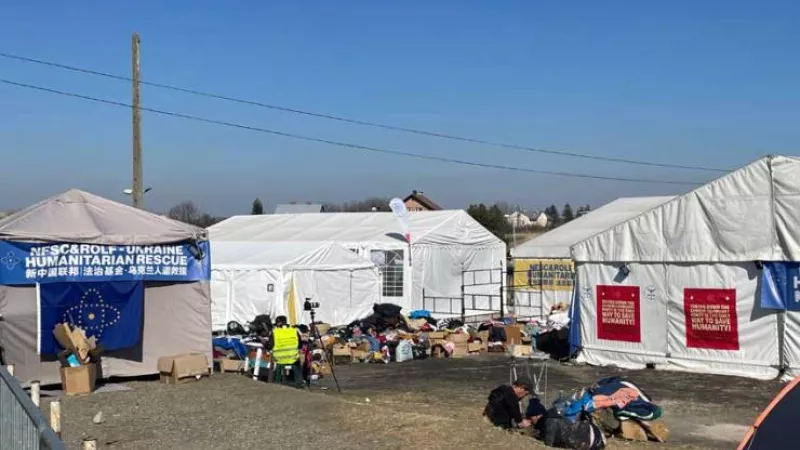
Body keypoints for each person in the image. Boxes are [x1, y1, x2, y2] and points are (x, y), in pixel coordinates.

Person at [266, 316, 304, 388]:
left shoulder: (275, 332)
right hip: (293, 357)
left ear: (278, 323)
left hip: (280, 359)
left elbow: (269, 346)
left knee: (277, 364)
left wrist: (264, 343)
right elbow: (300, 345)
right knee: (297, 363)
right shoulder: (294, 330)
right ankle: (299, 381)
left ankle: (277, 380)